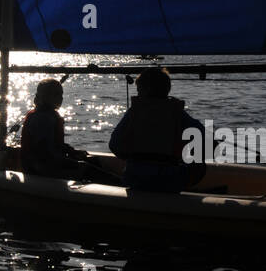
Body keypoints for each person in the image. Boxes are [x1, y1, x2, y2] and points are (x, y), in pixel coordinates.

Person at [109, 66, 206, 194]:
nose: (138, 94)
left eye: (139, 91)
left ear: (145, 90)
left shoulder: (135, 112)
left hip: (136, 180)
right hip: (170, 181)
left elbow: (114, 145)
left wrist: (133, 157)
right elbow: (202, 138)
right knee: (200, 165)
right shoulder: (177, 112)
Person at [20, 79, 90, 179]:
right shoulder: (41, 118)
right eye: (56, 95)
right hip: (38, 170)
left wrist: (72, 152)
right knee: (86, 170)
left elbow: (55, 144)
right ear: (45, 97)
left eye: (61, 94)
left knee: (90, 162)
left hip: (49, 164)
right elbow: (44, 153)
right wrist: (72, 162)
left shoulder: (50, 115)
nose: (60, 98)